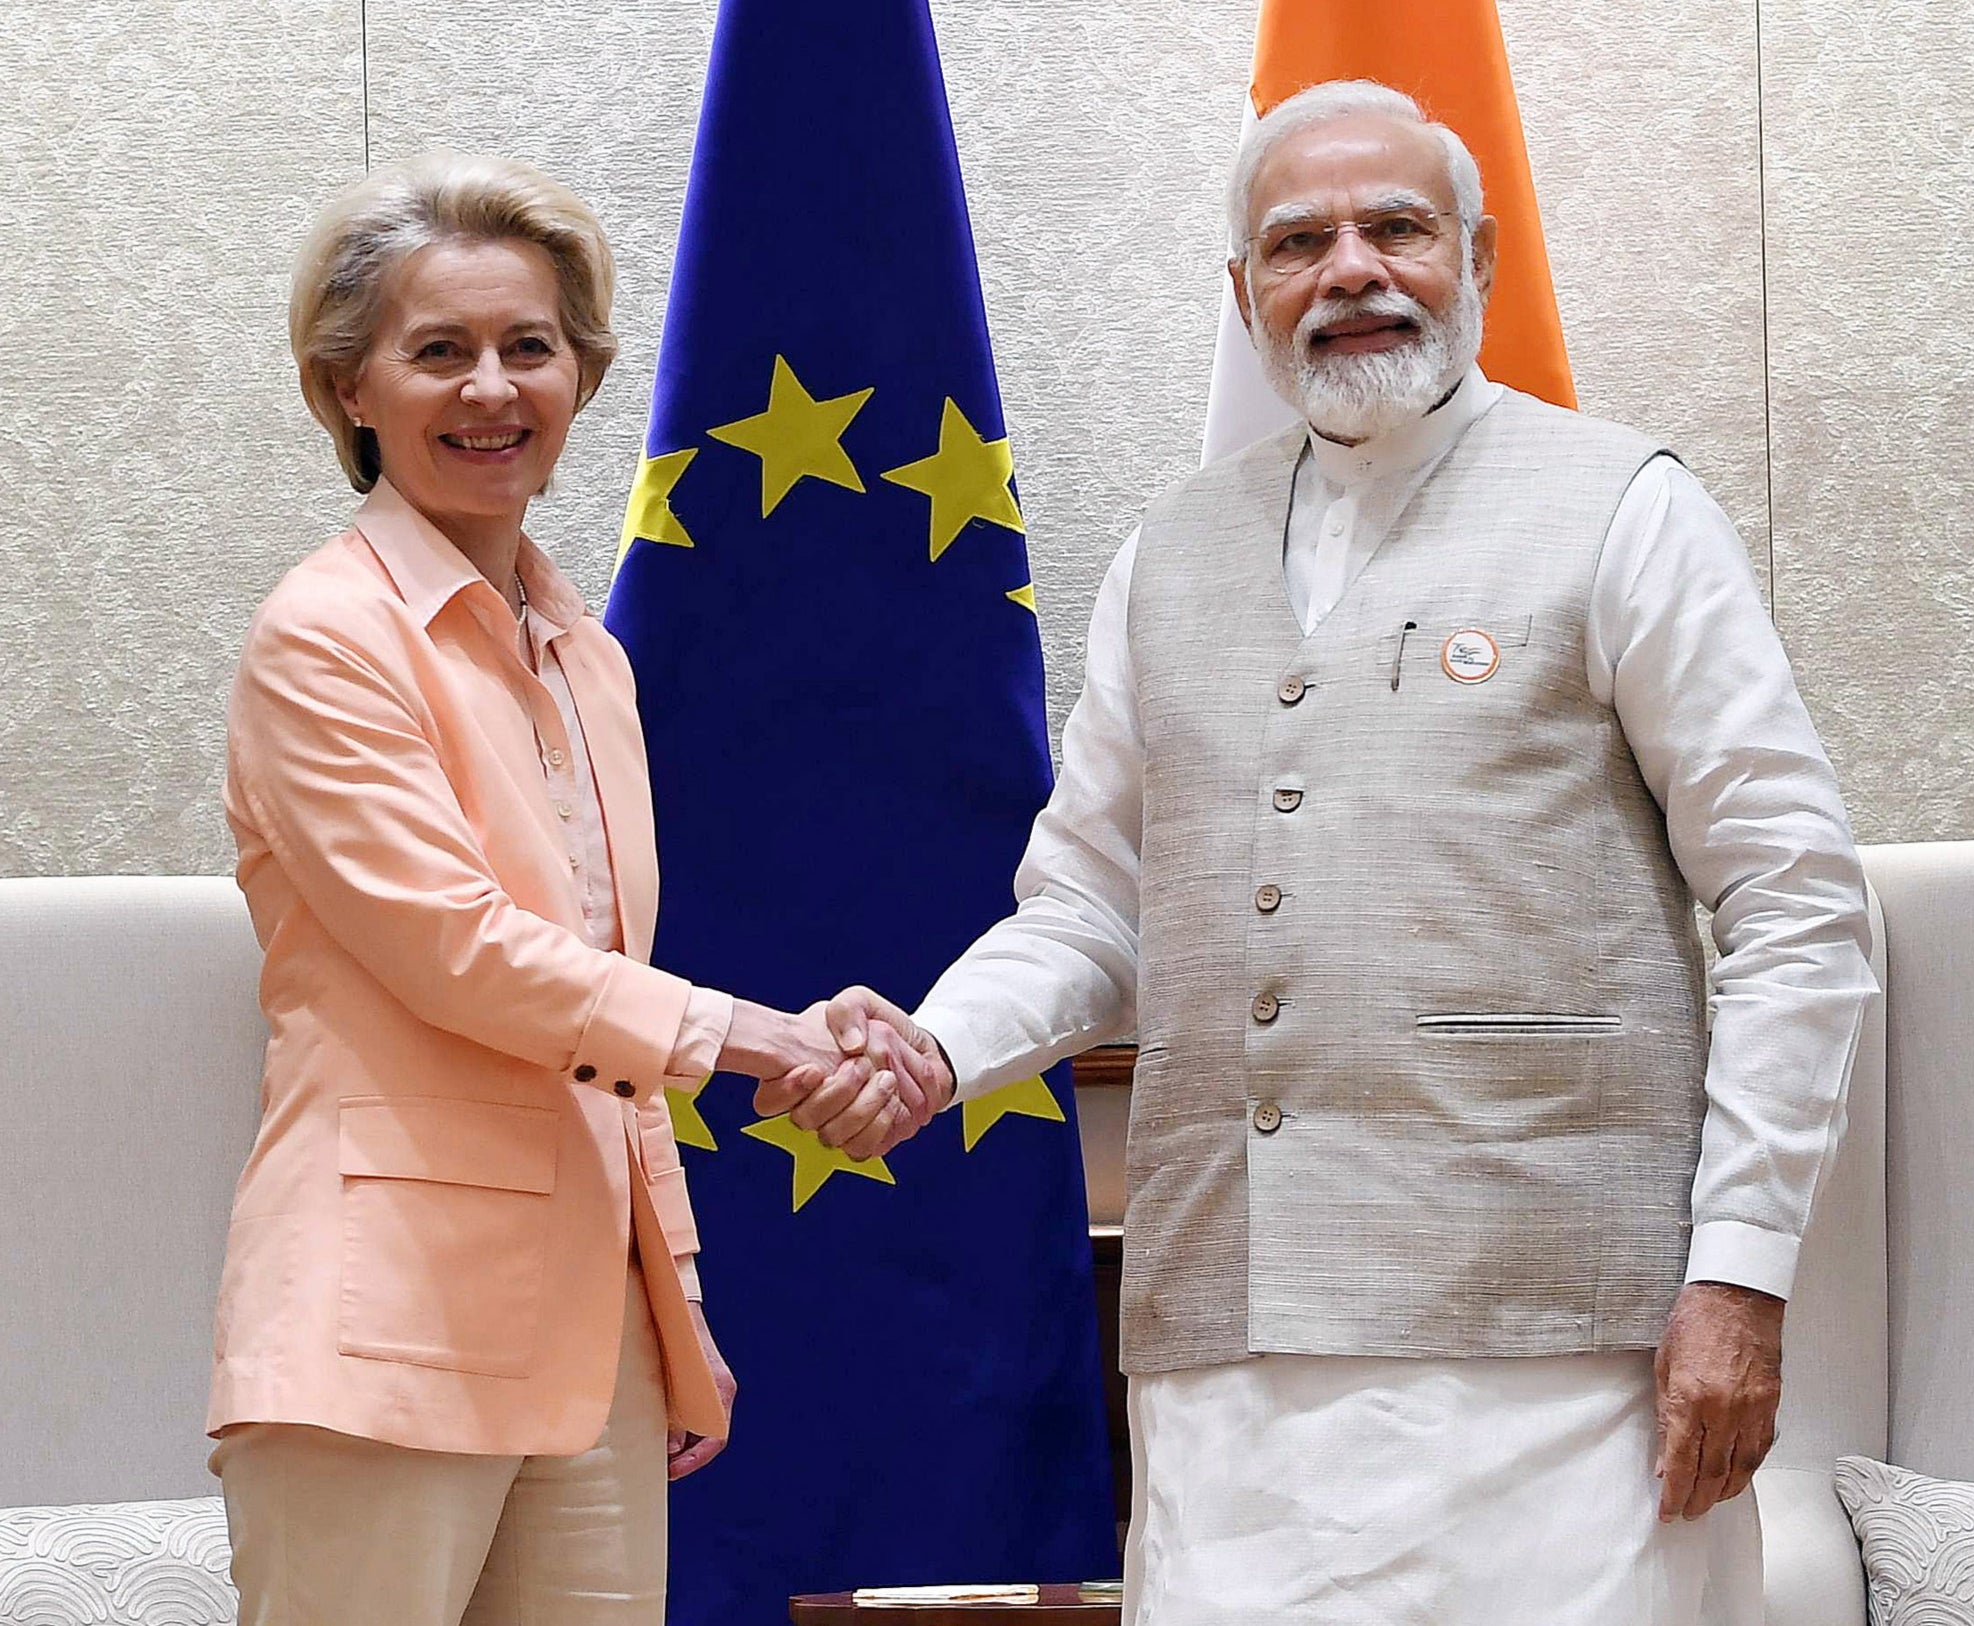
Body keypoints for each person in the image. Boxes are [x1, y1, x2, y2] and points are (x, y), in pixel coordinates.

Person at [790, 81, 1878, 1624]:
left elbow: (1795, 903)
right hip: (1232, 1369)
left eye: (1395, 228)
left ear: (1478, 260)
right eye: (1297, 242)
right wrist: (933, 1048)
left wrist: (1742, 1272)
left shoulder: (1626, 509)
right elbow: (1094, 905)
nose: (1350, 269)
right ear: (1243, 298)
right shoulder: (1171, 552)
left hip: (1561, 1360)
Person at [206, 151, 935, 1626]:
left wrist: (671, 1301)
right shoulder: (325, 638)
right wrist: (770, 1039)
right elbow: (465, 955)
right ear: (350, 386)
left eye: (527, 346)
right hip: (383, 1318)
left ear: (583, 377)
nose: (491, 388)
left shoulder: (584, 652)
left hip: (591, 1332)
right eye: (438, 351)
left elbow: (594, 1016)